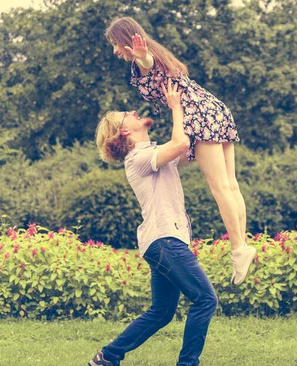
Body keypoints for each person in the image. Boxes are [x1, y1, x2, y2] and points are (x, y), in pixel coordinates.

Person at [105, 16, 255, 285]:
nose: (115, 50)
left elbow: (148, 65)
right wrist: (144, 57)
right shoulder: (161, 57)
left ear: (127, 40)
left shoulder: (147, 60)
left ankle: (239, 250)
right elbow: (151, 65)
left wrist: (142, 57)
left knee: (220, 187)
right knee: (231, 185)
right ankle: (242, 244)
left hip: (198, 116)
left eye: (116, 44)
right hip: (215, 109)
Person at [89, 79, 216, 366]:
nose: (134, 111)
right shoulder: (138, 158)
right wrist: (175, 108)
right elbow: (182, 143)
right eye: (127, 114)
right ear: (125, 131)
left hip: (163, 241)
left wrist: (189, 108)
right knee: (206, 299)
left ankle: (106, 357)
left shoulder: (155, 152)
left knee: (161, 313)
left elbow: (188, 149)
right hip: (164, 241)